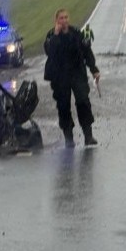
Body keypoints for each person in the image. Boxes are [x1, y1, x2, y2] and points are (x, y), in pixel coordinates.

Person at [43, 9, 100, 148]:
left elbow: (87, 51)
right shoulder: (51, 36)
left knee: (83, 102)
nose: (64, 20)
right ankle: (69, 138)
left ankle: (88, 135)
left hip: (77, 74)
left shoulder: (76, 33)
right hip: (60, 76)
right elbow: (49, 51)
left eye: (66, 17)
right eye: (61, 18)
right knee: (63, 106)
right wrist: (56, 35)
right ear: (56, 20)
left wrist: (94, 70)